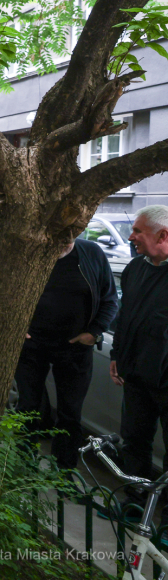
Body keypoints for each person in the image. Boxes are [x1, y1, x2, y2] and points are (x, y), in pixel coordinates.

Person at [15, 238, 117, 469]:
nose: (64, 238)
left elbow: (110, 299)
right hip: (32, 346)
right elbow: (6, 293)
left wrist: (94, 332)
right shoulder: (30, 250)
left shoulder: (90, 253)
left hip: (75, 348)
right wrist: (17, 326)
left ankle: (64, 474)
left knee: (70, 414)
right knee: (28, 408)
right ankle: (22, 469)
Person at [111, 205, 168, 481]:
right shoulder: (135, 268)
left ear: (162, 236)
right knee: (134, 441)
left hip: (166, 381)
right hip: (135, 377)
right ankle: (134, 505)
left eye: (137, 231)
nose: (131, 237)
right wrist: (116, 354)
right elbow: (124, 317)